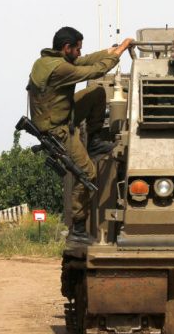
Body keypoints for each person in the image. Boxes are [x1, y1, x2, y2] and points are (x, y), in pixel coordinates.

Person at [27, 26, 134, 243]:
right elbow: (93, 71)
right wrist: (120, 52)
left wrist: (110, 50)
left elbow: (84, 61)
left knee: (96, 93)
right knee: (87, 173)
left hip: (61, 113)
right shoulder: (60, 70)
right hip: (57, 129)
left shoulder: (47, 61)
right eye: (77, 49)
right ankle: (77, 228)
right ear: (67, 48)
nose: (79, 53)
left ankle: (93, 141)